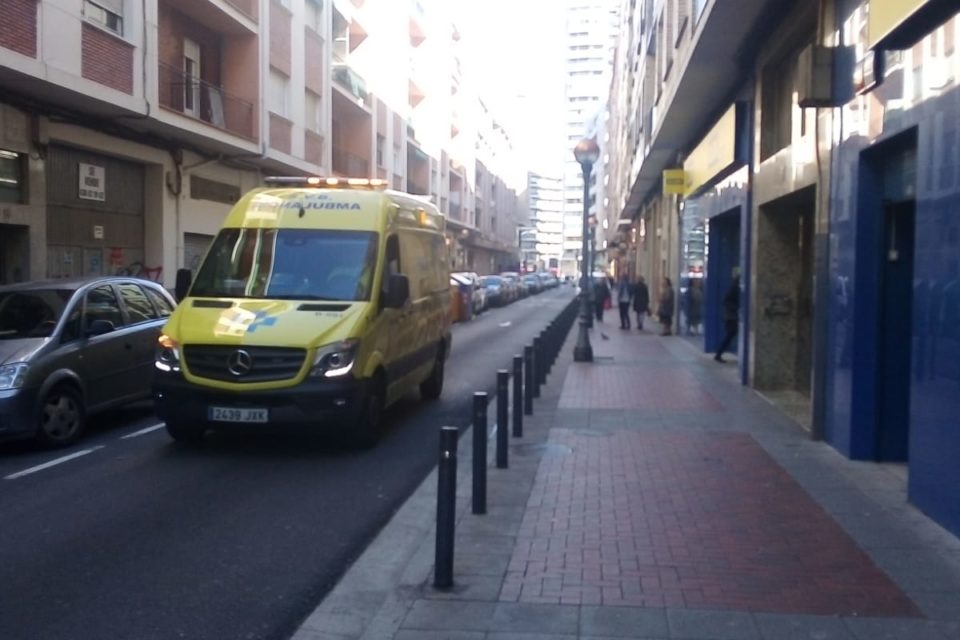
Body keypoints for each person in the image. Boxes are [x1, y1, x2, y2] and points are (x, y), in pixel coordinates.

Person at [715, 275, 740, 362]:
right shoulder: (734, 289)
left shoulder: (735, 288)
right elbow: (726, 301)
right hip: (731, 317)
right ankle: (718, 354)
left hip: (732, 316)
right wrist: (736, 308)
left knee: (730, 336)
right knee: (729, 336)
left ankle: (719, 354)